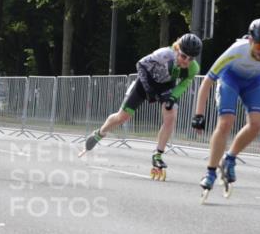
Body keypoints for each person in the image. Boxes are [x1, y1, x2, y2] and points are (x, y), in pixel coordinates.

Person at [191, 18, 260, 192]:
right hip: (230, 79)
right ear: (250, 40)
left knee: (257, 124)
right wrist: (199, 114)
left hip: (253, 82)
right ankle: (210, 173)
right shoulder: (236, 50)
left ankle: (230, 158)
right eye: (259, 46)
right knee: (226, 122)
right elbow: (208, 80)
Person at [80, 33, 202, 180]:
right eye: (184, 56)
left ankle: (158, 154)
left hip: (166, 87)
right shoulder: (164, 54)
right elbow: (141, 65)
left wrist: (173, 97)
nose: (186, 61)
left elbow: (185, 83)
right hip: (145, 83)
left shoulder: (193, 68)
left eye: (191, 58)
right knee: (122, 117)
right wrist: (149, 90)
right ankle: (100, 132)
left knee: (171, 116)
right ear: (177, 49)